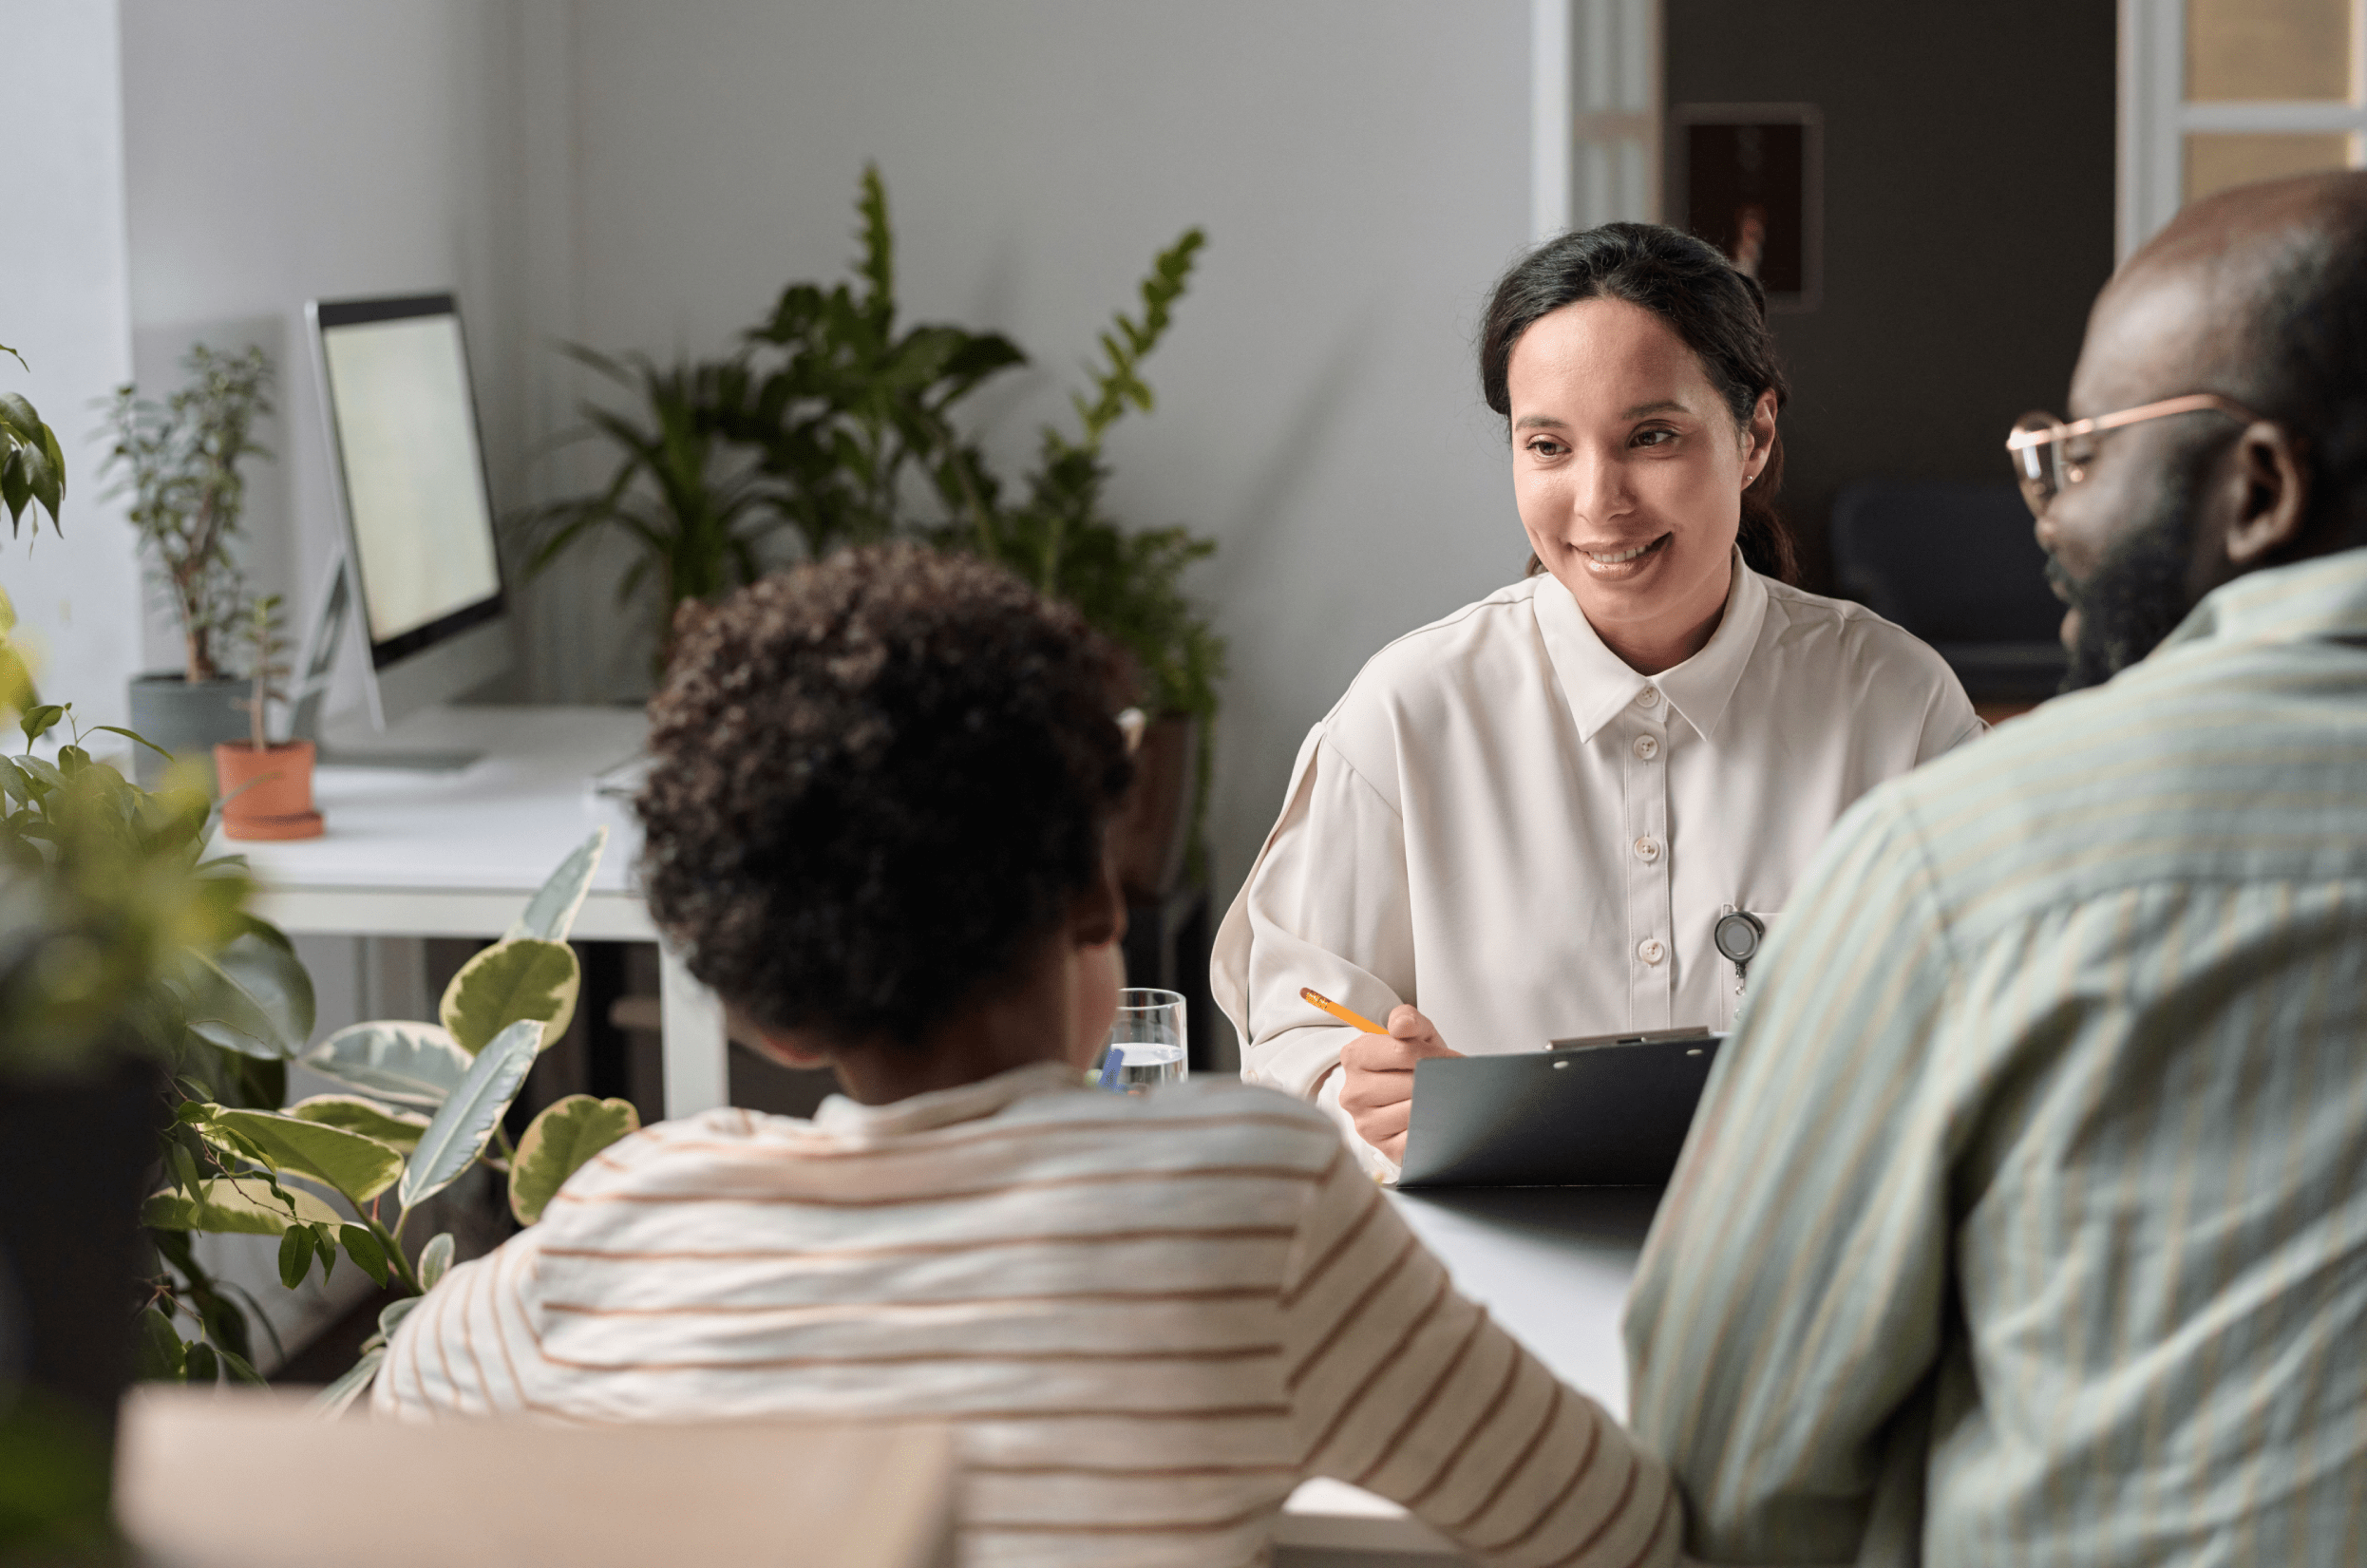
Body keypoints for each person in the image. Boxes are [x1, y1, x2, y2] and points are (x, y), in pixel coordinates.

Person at [375, 546, 1683, 1568]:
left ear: (771, 1016)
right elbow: (1611, 1524)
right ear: (1099, 904)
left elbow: (392, 1421)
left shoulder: (626, 1221)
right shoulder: (1251, 1197)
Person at [1624, 169, 2367, 1563]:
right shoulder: (1408, 699)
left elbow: (1724, 1463)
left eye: (2077, 455)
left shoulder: (1964, 862)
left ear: (2261, 490)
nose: (2047, 512)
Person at [1214, 222, 1980, 1170]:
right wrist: (1357, 1090)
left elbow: (1993, 1023)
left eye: (1651, 437)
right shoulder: (1408, 713)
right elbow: (1294, 1035)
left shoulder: (1897, 706)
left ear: (1753, 436)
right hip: (1491, 1255)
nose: (1597, 501)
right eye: (1548, 446)